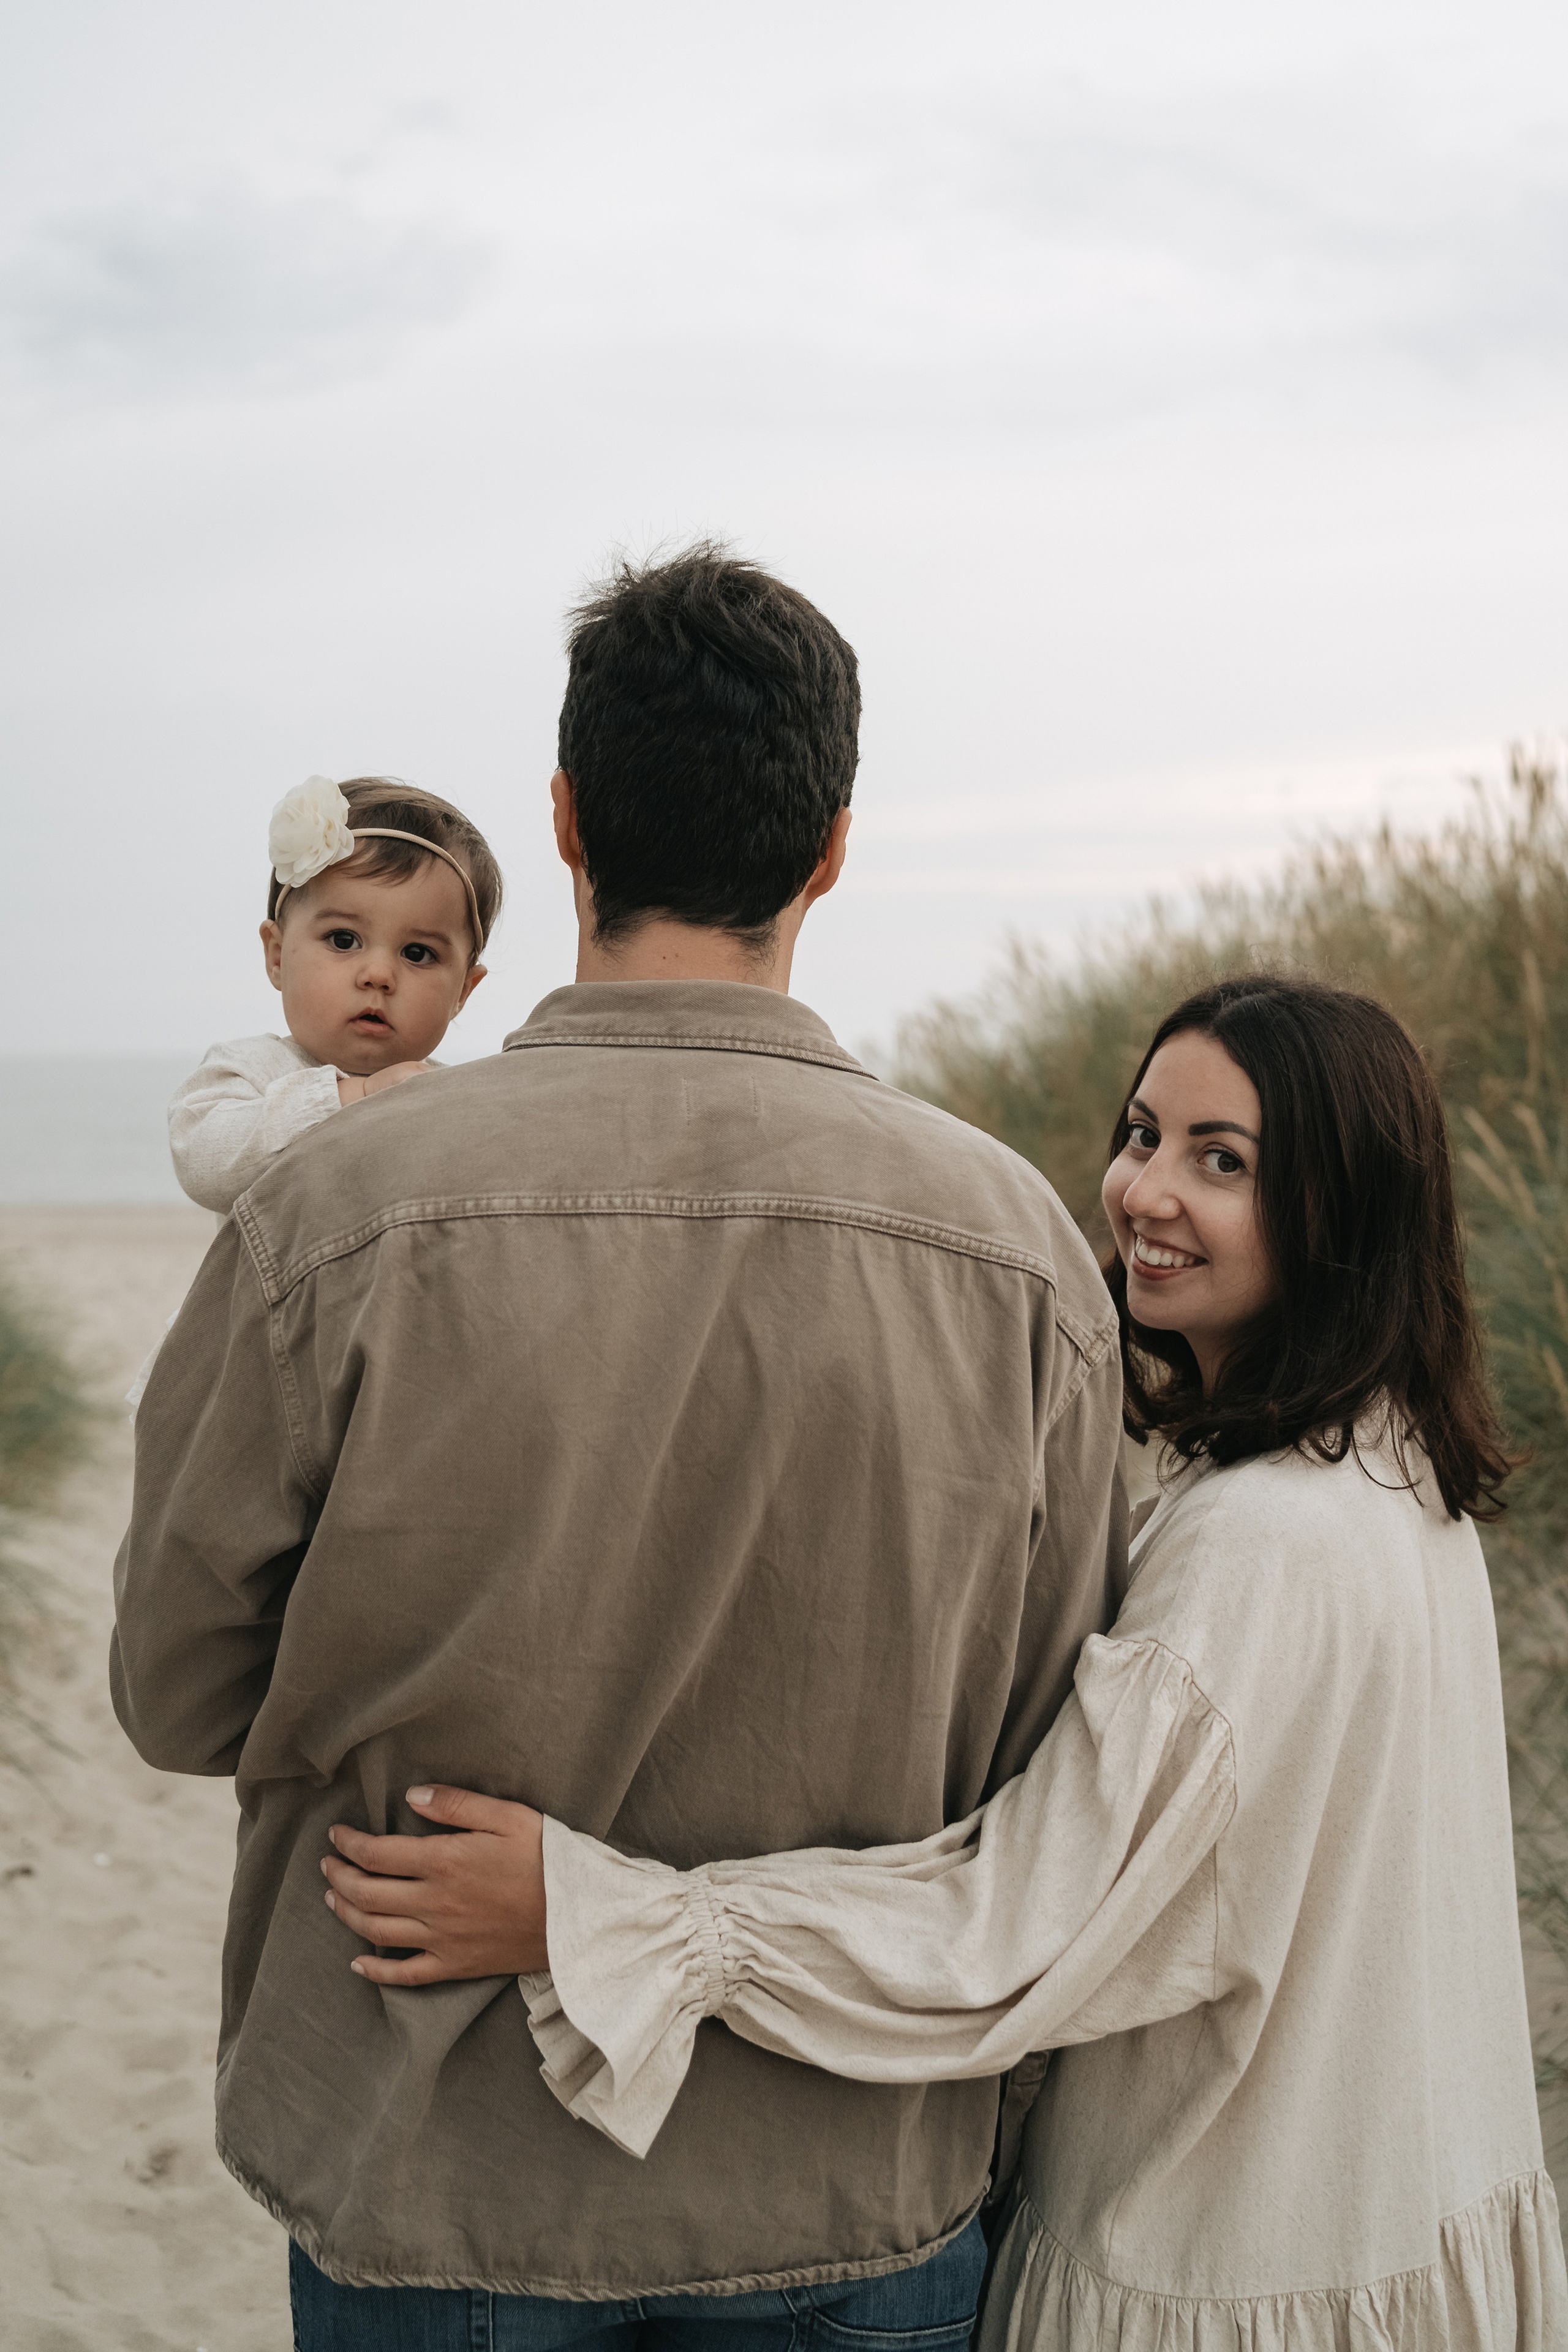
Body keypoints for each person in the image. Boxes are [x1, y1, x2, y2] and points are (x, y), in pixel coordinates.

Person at [111, 546, 1128, 2343]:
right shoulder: (1018, 1249)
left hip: (431, 2159)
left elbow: (177, 1693)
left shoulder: (334, 1206)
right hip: (850, 2178)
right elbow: (1044, 1748)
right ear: (828, 848)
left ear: (566, 822)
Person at [329, 978, 1567, 2349]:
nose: (1145, 1192)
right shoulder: (1402, 1480)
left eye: (1223, 1162)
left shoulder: (1260, 1543)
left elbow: (1012, 1932)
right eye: (1142, 1133)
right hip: (1401, 2225)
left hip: (1220, 2263)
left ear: (1348, 1209)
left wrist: (605, 1922)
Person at [168, 774, 500, 1216]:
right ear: (279, 956)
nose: (379, 975)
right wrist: (353, 1097)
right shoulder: (252, 1073)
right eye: (343, 940)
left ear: (463, 990)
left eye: (417, 953)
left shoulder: (449, 1098)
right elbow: (204, 1164)